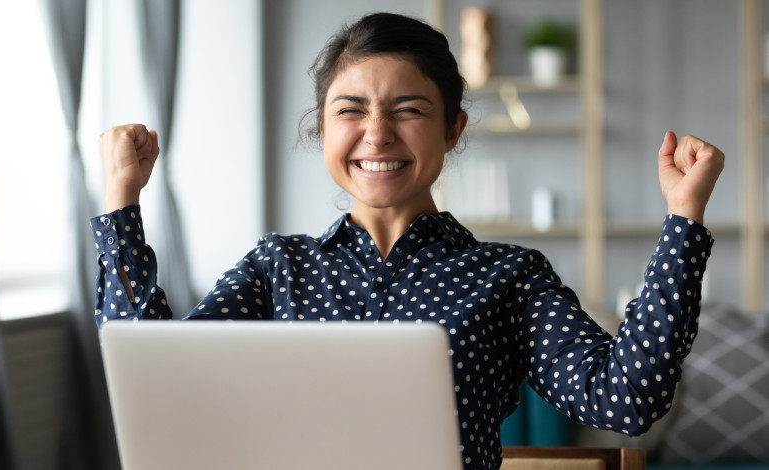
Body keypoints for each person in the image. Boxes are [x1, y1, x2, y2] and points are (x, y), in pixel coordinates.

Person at [90, 12, 724, 470]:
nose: (377, 134)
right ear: (322, 130)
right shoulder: (275, 267)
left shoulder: (509, 276)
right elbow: (157, 379)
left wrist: (683, 216)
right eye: (350, 109)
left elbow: (629, 398)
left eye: (409, 109)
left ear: (453, 129)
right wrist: (122, 200)